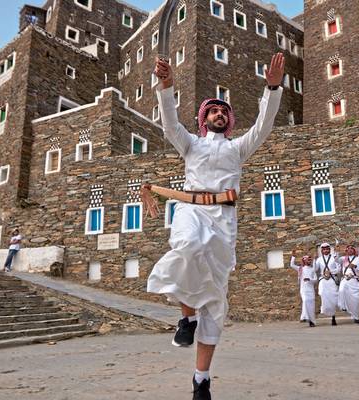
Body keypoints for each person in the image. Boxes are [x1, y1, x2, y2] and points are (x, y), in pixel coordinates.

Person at [146, 53, 284, 400]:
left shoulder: (238, 149)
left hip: (223, 222)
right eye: (212, 111)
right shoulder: (190, 143)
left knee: (216, 304)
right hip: (190, 211)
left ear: (230, 120)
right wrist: (166, 84)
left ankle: (201, 379)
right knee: (188, 248)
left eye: (224, 111)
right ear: (204, 120)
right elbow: (169, 125)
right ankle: (185, 318)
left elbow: (264, 126)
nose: (219, 114)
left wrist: (272, 88)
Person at [314, 243, 341, 326]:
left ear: (329, 250)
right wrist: (314, 261)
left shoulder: (334, 258)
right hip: (323, 279)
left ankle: (333, 317)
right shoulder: (319, 259)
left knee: (332, 297)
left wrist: (331, 272)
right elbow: (315, 269)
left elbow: (339, 269)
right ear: (322, 250)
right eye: (324, 249)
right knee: (322, 293)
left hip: (332, 279)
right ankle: (325, 309)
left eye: (327, 249)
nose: (326, 250)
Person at [337, 244, 359, 324]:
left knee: (355, 301)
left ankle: (356, 317)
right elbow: (336, 260)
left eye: (352, 248)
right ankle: (343, 306)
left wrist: (355, 266)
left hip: (354, 281)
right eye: (348, 249)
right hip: (345, 279)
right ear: (346, 251)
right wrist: (337, 251)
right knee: (341, 290)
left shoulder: (358, 259)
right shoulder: (343, 259)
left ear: (354, 250)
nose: (350, 250)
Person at [289, 251, 317, 327]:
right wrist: (293, 257)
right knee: (305, 301)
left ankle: (312, 321)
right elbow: (291, 265)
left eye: (310, 260)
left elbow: (315, 280)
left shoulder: (312, 269)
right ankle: (304, 317)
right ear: (304, 261)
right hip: (304, 289)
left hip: (311, 290)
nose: (309, 261)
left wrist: (309, 280)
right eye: (308, 260)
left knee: (311, 305)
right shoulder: (300, 269)